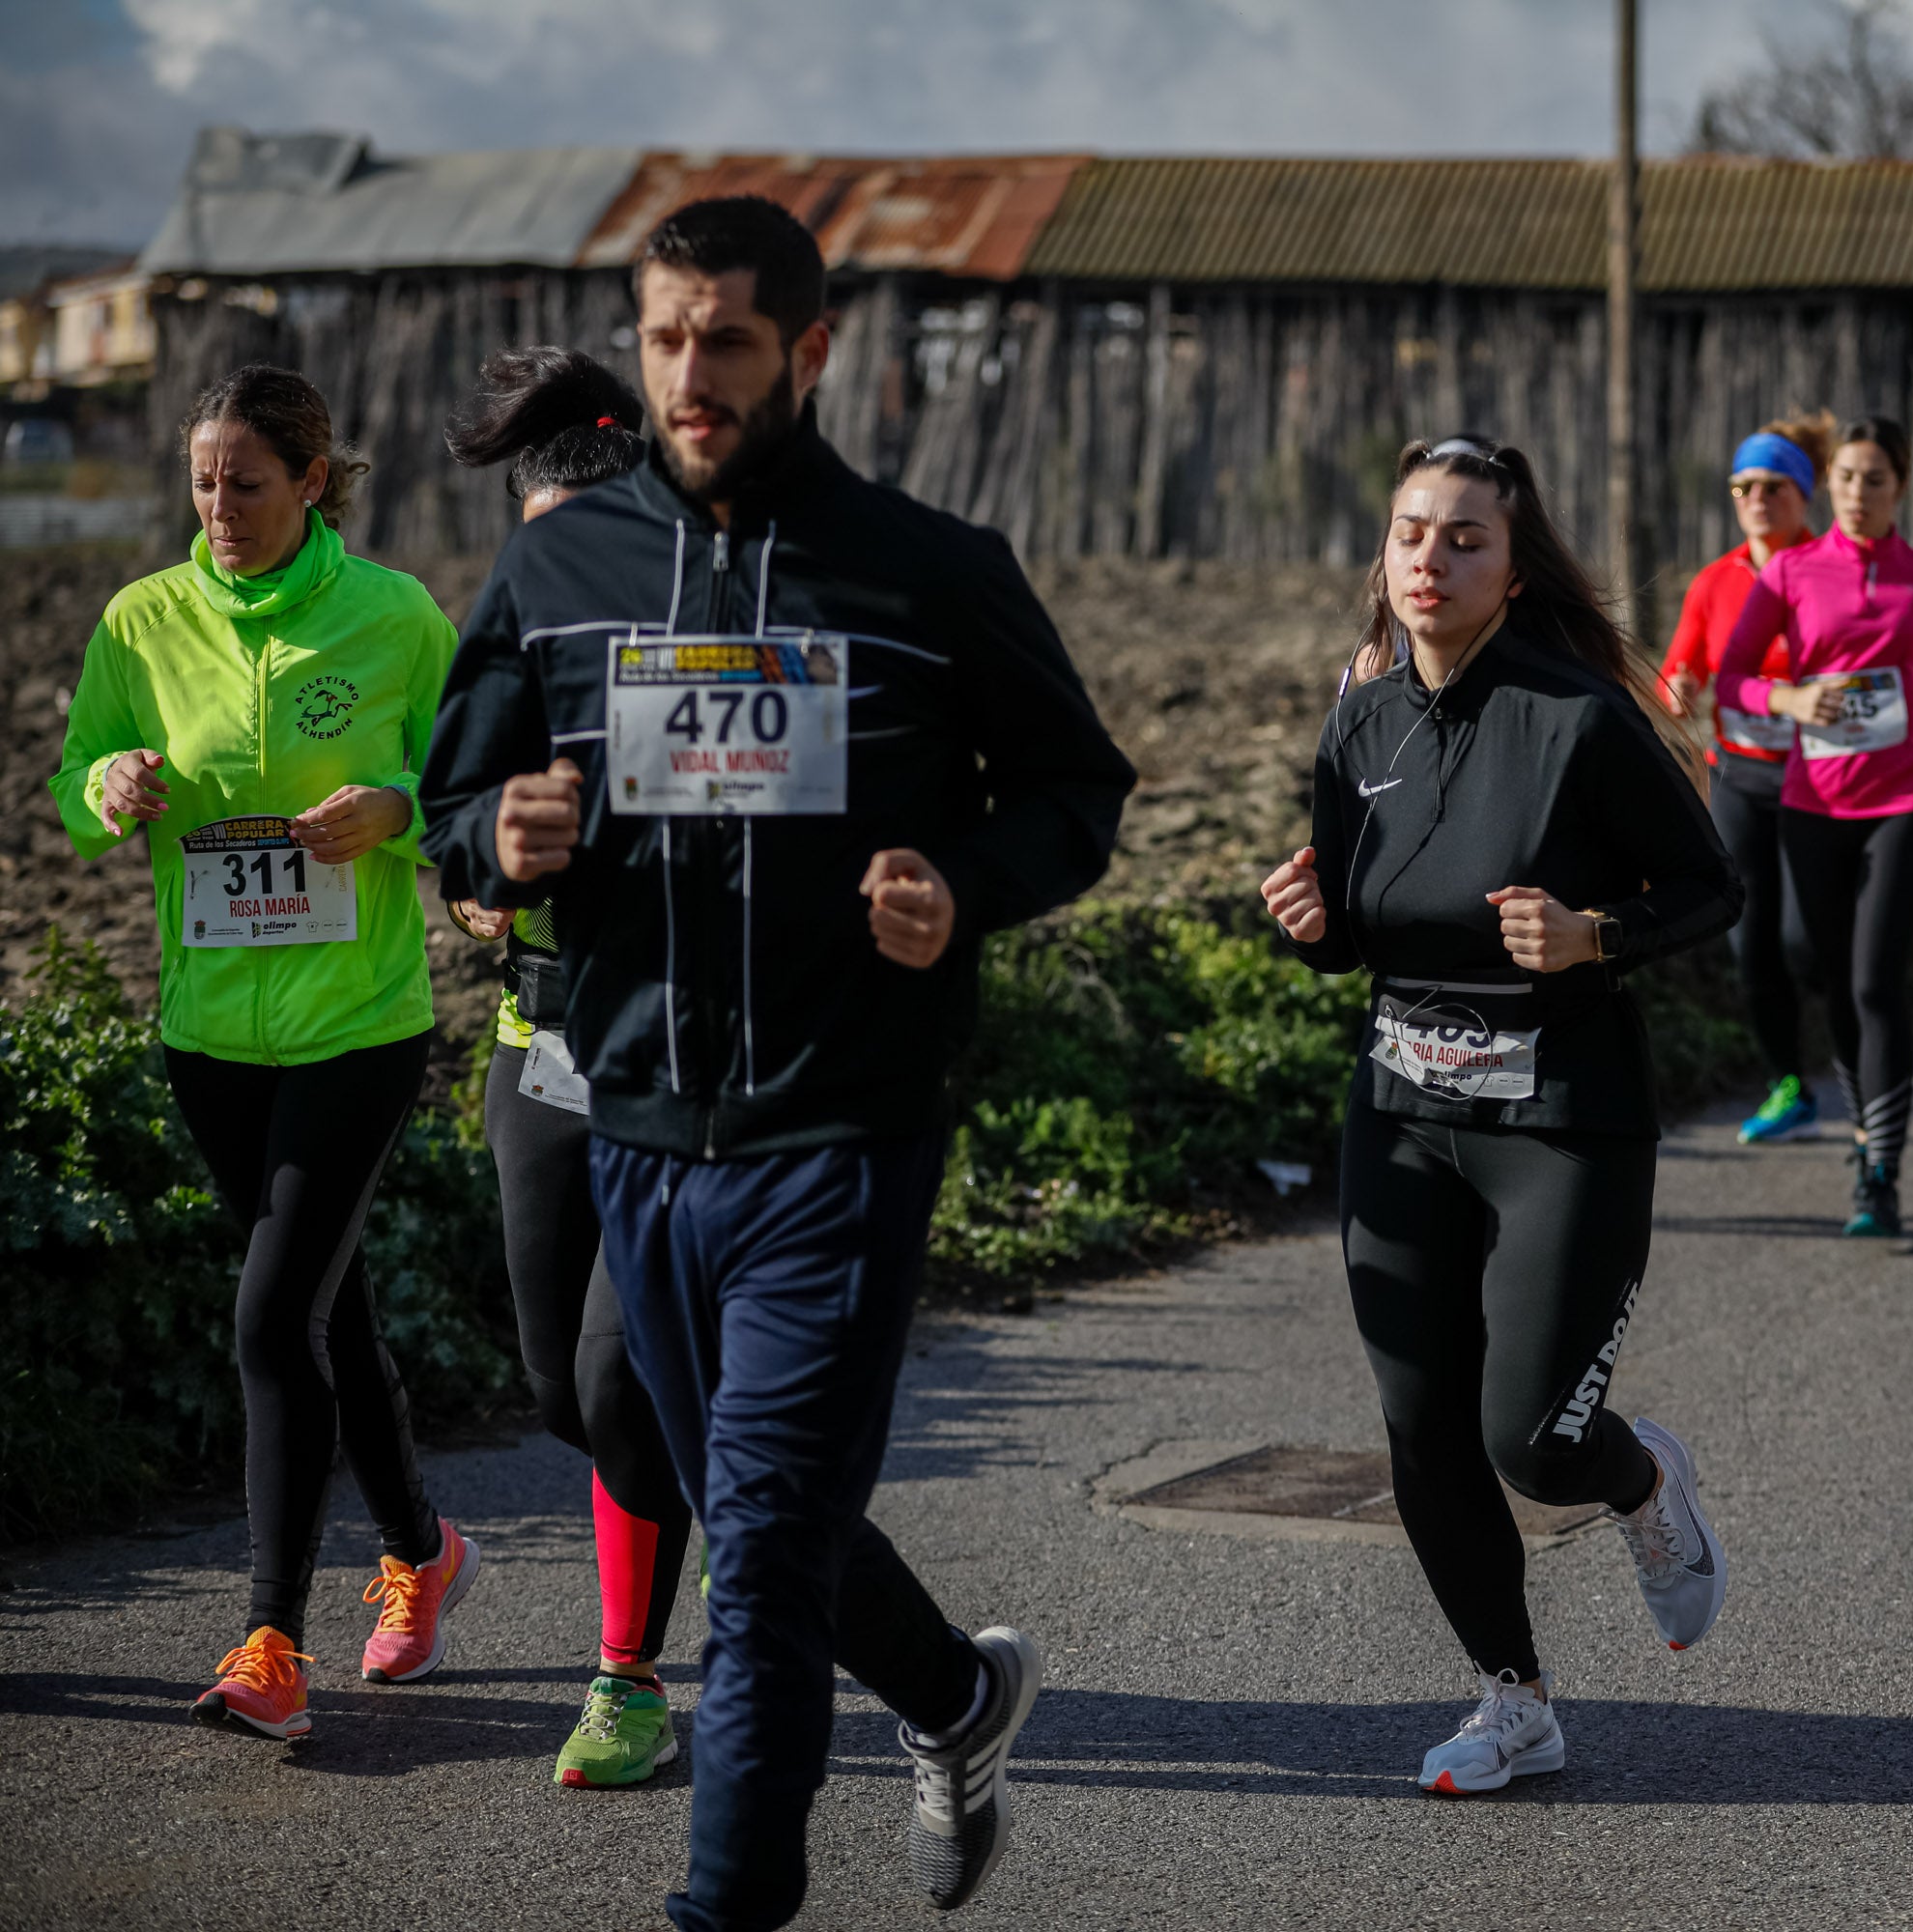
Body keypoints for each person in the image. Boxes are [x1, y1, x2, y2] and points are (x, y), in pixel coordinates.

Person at [423, 196, 1135, 1927]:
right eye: (666, 336)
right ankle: (957, 1697)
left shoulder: (929, 570)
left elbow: (1076, 793)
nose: (691, 373)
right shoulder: (559, 570)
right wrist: (492, 837)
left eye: (728, 340)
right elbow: (457, 796)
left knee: (751, 1577)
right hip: (636, 1128)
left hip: (842, 1133)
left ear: (808, 352)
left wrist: (962, 883)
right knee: (751, 1519)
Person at [1259, 434, 1739, 1794]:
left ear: (1515, 572)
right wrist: (1312, 925)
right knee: (1421, 1424)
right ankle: (1513, 1700)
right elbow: (1358, 929)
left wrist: (1594, 935)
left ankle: (1640, 1483)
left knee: (1529, 1436)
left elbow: (1710, 888)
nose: (1433, 559)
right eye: (1412, 532)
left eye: (1466, 539)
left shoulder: (1577, 718)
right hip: (1403, 1111)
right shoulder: (1360, 720)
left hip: (1563, 1121)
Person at [48, 364, 471, 1740]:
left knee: (272, 1318)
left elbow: (468, 787)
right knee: (326, 1312)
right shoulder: (142, 619)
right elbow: (76, 784)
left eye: (245, 482)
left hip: (359, 1025)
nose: (218, 508)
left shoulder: (396, 617)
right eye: (201, 483)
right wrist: (108, 784)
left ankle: (271, 1640)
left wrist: (396, 809)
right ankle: (422, 1552)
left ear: (312, 481)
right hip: (211, 1033)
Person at [437, 346, 695, 1787]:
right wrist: (480, 869)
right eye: (535, 543)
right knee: (556, 1390)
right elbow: (452, 812)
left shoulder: (699, 644)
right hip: (538, 1057)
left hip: (673, 1065)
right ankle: (718, 1490)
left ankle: (628, 1680)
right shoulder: (515, 630)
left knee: (616, 1376)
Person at [1719, 417, 1913, 1236]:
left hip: (1908, 800)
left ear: (1900, 486)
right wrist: (1792, 697)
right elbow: (1733, 677)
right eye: (1844, 478)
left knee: (1874, 982)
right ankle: (1862, 1119)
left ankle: (1879, 1168)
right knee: (1820, 966)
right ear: (1827, 483)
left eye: (1875, 479)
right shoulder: (1791, 571)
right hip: (1813, 801)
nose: (1857, 493)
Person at [1661, 412, 1833, 1144]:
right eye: (1741, 488)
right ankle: (1787, 1083)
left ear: (1803, 493)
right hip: (1739, 777)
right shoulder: (1714, 583)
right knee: (1750, 942)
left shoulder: (1831, 570)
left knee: (1803, 943)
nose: (1755, 499)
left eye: (1771, 486)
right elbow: (1681, 670)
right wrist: (1676, 691)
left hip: (1823, 779)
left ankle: (1857, 1051)